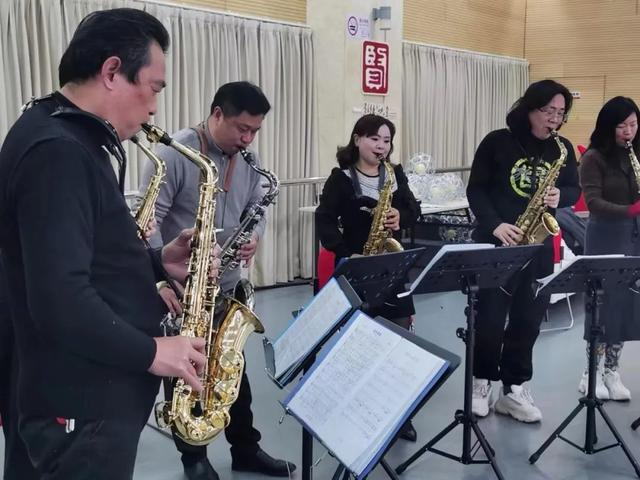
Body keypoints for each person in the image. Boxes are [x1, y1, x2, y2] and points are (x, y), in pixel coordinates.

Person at [0, 9, 216, 479]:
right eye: (154, 88)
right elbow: (60, 301)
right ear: (113, 71)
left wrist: (158, 261)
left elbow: (83, 255)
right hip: (84, 403)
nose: (154, 108)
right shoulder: (59, 151)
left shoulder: (60, 133)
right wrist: (154, 352)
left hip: (81, 394)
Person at [139, 80, 296, 480]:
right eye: (242, 128)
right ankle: (193, 459)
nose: (248, 139)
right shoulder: (177, 153)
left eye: (255, 131)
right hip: (183, 290)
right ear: (216, 114)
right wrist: (159, 281)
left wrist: (254, 236)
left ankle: (246, 448)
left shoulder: (248, 159)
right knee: (187, 377)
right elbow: (147, 224)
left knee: (231, 371)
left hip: (225, 285)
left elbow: (255, 208)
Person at [466, 79, 580, 423]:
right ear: (529, 108)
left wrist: (562, 196)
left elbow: (573, 188)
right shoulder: (497, 142)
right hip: (498, 242)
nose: (554, 119)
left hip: (538, 246)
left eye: (560, 113)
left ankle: (514, 388)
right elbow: (476, 190)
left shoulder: (561, 149)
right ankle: (482, 381)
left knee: (528, 319)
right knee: (489, 318)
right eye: (548, 111)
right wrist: (495, 225)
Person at [314, 114, 421, 441]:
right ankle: (358, 406)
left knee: (399, 336)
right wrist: (347, 253)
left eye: (387, 141)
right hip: (357, 266)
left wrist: (400, 215)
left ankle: (397, 410)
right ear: (357, 139)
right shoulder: (342, 179)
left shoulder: (394, 174)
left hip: (392, 266)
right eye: (374, 138)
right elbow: (324, 220)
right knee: (358, 339)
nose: (381, 146)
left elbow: (414, 211)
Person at [577, 96, 640, 401]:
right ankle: (590, 372)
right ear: (607, 126)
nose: (629, 131)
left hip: (634, 237)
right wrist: (632, 209)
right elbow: (593, 203)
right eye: (621, 126)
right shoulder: (593, 158)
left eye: (634, 124)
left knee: (626, 304)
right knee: (602, 304)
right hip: (605, 237)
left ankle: (612, 371)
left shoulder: (635, 154)